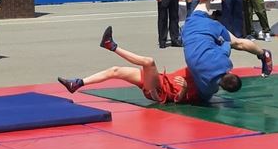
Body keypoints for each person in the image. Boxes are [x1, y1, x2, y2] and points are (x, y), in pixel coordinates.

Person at [58, 26, 234, 104]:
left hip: (160, 92)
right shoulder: (208, 67)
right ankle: (77, 83)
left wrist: (185, 89)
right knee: (115, 71)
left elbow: (179, 101)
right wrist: (222, 42)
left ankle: (111, 46)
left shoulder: (206, 88)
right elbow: (223, 51)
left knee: (149, 62)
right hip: (159, 80)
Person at [181, 0, 273, 102]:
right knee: (237, 41)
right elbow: (226, 44)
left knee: (204, 1)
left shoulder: (224, 63)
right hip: (189, 28)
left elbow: (226, 45)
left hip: (201, 27)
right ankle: (263, 54)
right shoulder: (209, 85)